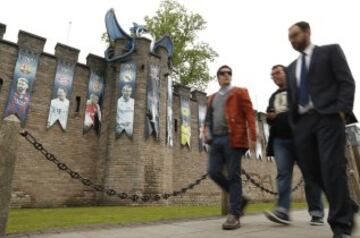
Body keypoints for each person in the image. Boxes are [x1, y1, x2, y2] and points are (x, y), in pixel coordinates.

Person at [286, 21, 357, 238]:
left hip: (328, 116)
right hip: (304, 124)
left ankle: (340, 225)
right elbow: (292, 99)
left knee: (332, 168)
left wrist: (342, 111)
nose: (292, 40)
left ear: (307, 32)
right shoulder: (291, 68)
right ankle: (345, 204)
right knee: (312, 172)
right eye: (289, 38)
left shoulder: (330, 52)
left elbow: (347, 81)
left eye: (295, 35)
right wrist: (294, 125)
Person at [264, 64, 324, 225]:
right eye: (272, 74)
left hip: (302, 138)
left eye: (278, 72)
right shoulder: (273, 96)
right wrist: (270, 117)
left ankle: (317, 213)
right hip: (280, 141)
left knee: (310, 176)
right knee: (283, 175)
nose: (275, 76)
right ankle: (283, 212)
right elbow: (270, 115)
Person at [205, 65, 256, 230]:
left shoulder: (240, 92)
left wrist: (253, 136)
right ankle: (240, 199)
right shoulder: (212, 98)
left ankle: (234, 214)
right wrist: (205, 130)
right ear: (218, 77)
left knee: (234, 175)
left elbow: (250, 114)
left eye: (229, 73)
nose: (226, 75)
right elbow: (208, 118)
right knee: (213, 172)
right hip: (216, 141)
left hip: (233, 139)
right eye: (222, 73)